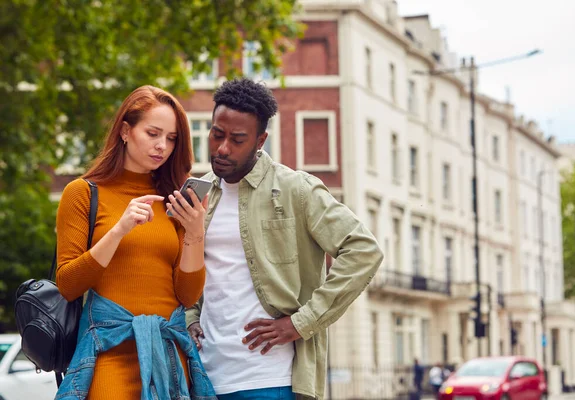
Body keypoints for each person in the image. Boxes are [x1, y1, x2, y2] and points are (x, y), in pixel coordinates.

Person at [185, 78, 383, 400]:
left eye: (237, 139)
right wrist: (190, 317)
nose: (222, 148)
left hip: (267, 377)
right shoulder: (199, 193)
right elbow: (187, 270)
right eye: (216, 134)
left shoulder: (296, 189)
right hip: (203, 376)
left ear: (261, 140)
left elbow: (363, 250)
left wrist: (300, 323)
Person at [54, 85, 215, 399]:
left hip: (168, 356)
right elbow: (68, 285)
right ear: (125, 131)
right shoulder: (82, 193)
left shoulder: (174, 200)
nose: (162, 146)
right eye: (153, 133)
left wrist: (195, 232)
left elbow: (187, 294)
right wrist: (119, 229)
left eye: (171, 138)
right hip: (108, 353)